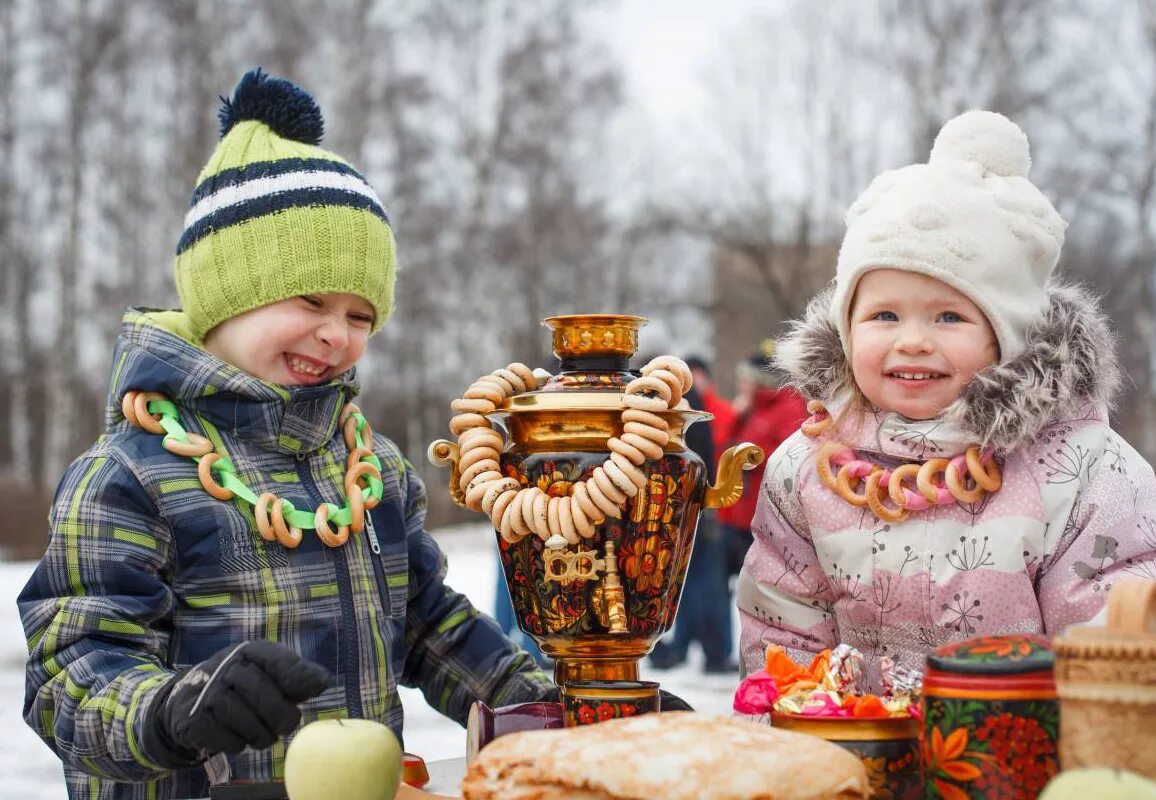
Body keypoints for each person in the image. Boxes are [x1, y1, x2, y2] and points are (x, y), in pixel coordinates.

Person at [16, 70, 684, 800]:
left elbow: (431, 628)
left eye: (362, 316)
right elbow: (69, 680)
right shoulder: (127, 475)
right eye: (310, 300)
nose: (336, 334)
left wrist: (565, 715)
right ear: (221, 299)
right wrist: (173, 711)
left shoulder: (371, 467)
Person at [736, 110, 1156, 689]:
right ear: (848, 329)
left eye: (950, 316)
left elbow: (1115, 634)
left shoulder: (1080, 466)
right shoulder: (806, 468)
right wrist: (800, 738)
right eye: (883, 315)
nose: (914, 340)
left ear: (1006, 335)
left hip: (1023, 758)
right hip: (859, 760)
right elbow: (784, 628)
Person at [649, 385, 736, 674]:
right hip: (693, 507)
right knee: (700, 586)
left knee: (691, 585)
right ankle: (701, 649)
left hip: (675, 508)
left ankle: (683, 647)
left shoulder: (664, 407)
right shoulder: (689, 400)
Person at [717, 346, 808, 580]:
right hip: (743, 511)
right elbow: (726, 443)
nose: (741, 385)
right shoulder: (752, 409)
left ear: (760, 381)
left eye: (746, 380)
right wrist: (738, 417)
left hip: (768, 513)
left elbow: (791, 455)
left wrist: (746, 455)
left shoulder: (788, 407)